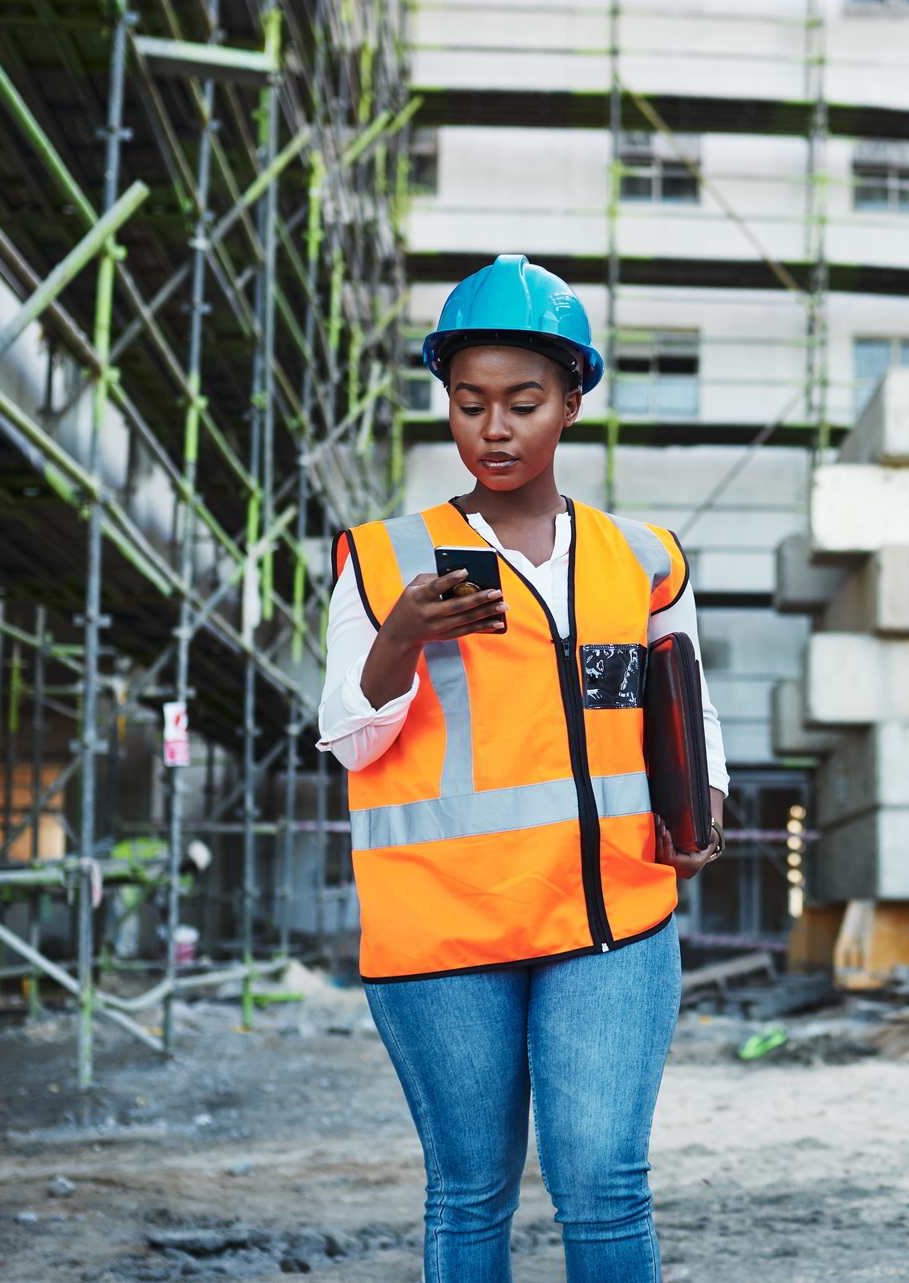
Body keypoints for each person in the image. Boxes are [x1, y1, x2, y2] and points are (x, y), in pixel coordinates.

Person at [316, 254, 728, 1282]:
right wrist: (400, 636)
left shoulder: (643, 559)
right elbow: (347, 735)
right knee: (469, 1190)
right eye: (468, 404)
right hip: (446, 927)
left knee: (601, 1177)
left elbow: (687, 705)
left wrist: (703, 801)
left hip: (611, 921)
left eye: (522, 402)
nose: (493, 429)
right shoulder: (381, 560)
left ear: (572, 401)